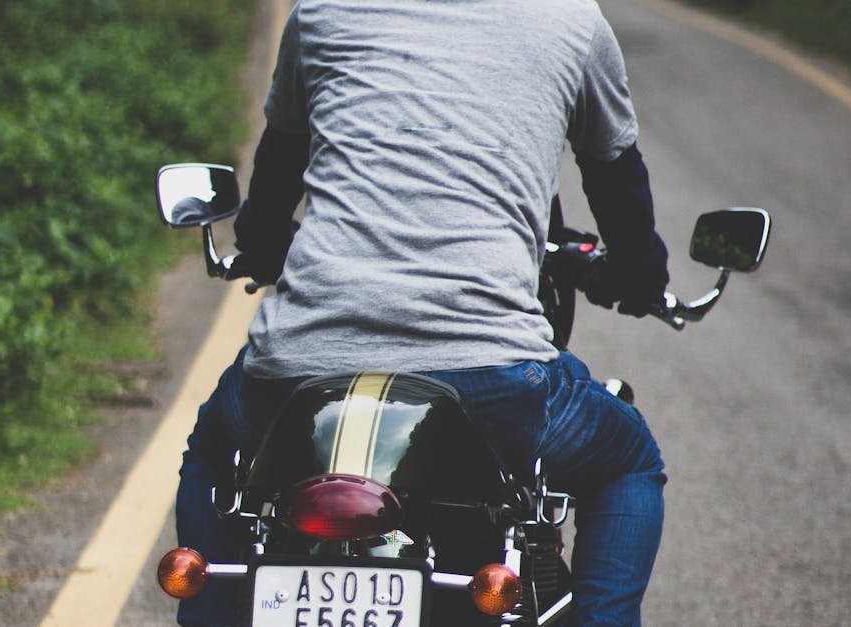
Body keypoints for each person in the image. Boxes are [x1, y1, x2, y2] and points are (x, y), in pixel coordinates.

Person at [175, 0, 669, 625]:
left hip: (295, 372)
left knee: (215, 452)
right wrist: (638, 277)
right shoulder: (570, 19)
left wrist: (263, 247)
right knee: (629, 458)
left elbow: (278, 172)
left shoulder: (321, 10)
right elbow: (617, 180)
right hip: (490, 377)